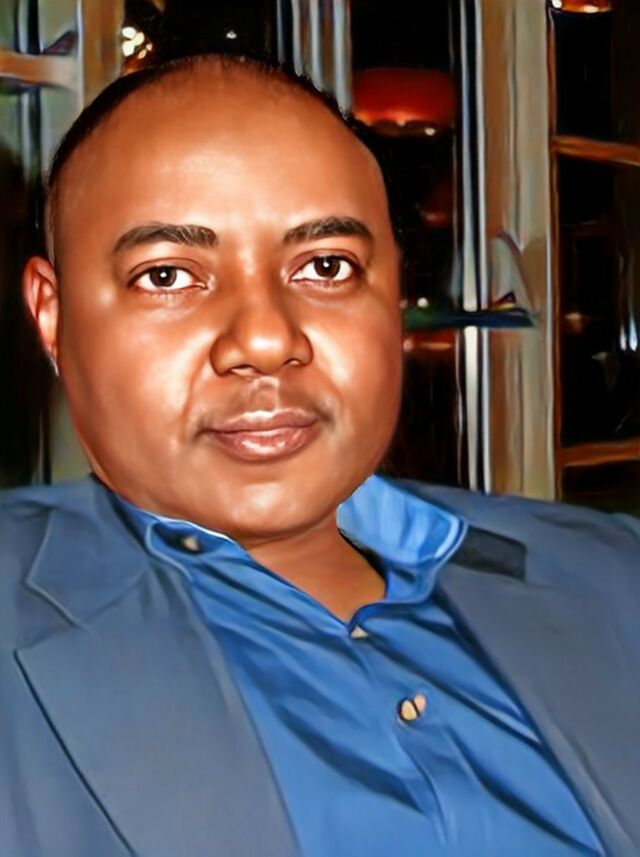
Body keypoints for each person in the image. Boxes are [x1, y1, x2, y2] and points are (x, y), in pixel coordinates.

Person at [2, 53, 638, 857]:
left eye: (326, 266)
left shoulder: (612, 570)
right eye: (166, 275)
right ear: (54, 318)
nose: (266, 339)